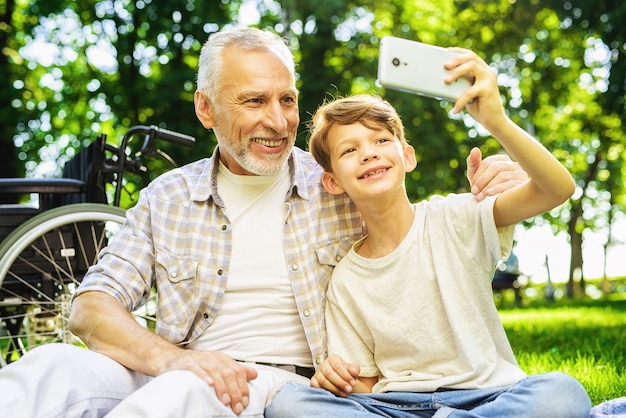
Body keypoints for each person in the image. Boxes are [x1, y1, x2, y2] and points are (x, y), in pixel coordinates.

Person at [0, 27, 528, 418]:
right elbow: (92, 309)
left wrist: (497, 178)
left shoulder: (336, 180)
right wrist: (170, 358)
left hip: (277, 384)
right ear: (206, 109)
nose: (277, 121)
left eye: (287, 100)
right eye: (253, 101)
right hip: (176, 366)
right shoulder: (168, 196)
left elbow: (415, 217)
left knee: (177, 396)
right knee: (46, 370)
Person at [264, 54, 591, 417]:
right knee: (287, 402)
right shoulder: (345, 281)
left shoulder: (455, 217)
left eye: (381, 141)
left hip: (486, 396)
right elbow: (366, 386)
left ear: (407, 156)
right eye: (350, 150)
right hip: (396, 406)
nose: (369, 154)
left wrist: (495, 121)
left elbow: (557, 189)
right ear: (333, 181)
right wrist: (334, 378)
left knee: (561, 393)